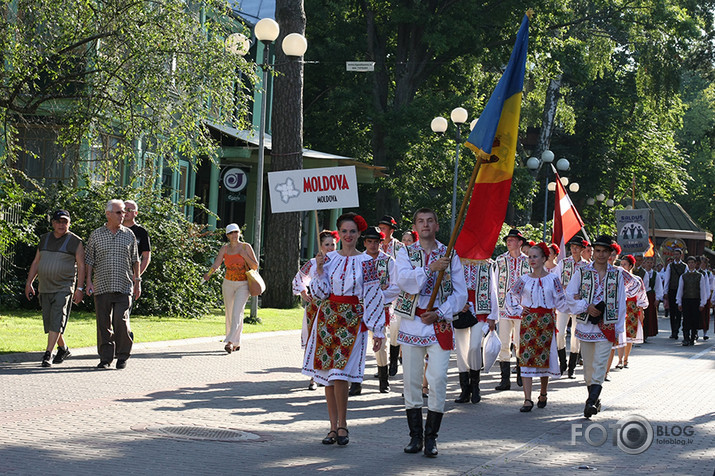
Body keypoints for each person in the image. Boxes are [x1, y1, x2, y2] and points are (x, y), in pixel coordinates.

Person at [303, 212, 385, 446]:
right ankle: (332, 426)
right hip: (328, 319)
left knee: (340, 375)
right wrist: (318, 270)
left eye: (353, 231)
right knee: (328, 377)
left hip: (352, 320)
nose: (349, 235)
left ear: (359, 234)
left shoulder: (367, 262)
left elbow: (372, 295)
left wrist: (378, 330)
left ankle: (343, 424)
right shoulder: (328, 259)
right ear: (340, 234)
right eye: (345, 231)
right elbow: (319, 294)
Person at [394, 208, 467, 457]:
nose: (425, 225)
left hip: (439, 322)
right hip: (413, 323)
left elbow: (461, 293)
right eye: (420, 221)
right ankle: (415, 437)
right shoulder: (406, 252)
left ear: (437, 225)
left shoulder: (449, 254)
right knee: (411, 381)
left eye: (430, 221)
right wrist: (429, 269)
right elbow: (404, 281)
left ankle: (432, 437)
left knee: (437, 379)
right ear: (415, 226)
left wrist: (441, 312)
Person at [566, 235, 627, 419]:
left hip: (606, 326)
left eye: (604, 251)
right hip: (586, 325)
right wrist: (586, 306)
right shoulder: (582, 272)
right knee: (588, 370)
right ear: (592, 252)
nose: (600, 254)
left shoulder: (617, 274)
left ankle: (590, 402)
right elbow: (569, 295)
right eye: (597, 251)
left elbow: (621, 302)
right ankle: (594, 398)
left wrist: (618, 328)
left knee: (600, 365)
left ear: (610, 253)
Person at [506, 242, 568, 412]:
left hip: (546, 321)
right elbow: (511, 295)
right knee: (526, 358)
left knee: (543, 358)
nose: (532, 260)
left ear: (544, 258)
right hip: (528, 321)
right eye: (530, 257)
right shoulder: (524, 279)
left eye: (535, 257)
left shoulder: (553, 279)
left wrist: (576, 305)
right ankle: (527, 399)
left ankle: (543, 393)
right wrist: (519, 309)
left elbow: (561, 300)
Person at [85, 200, 141, 369]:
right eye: (119, 212)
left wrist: (137, 282)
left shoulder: (129, 234)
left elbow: (135, 260)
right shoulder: (96, 235)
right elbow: (89, 260)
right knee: (103, 324)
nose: (122, 215)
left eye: (124, 212)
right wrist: (88, 281)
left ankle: (122, 355)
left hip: (123, 285)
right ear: (108, 214)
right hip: (102, 285)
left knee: (120, 320)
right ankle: (105, 358)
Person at [25, 210, 85, 367]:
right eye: (58, 221)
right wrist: (29, 282)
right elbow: (36, 262)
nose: (62, 225)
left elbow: (81, 265)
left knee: (57, 319)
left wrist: (80, 288)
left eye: (65, 222)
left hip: (64, 287)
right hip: (45, 287)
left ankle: (47, 354)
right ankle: (63, 348)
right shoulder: (44, 239)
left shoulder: (75, 241)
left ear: (69, 223)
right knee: (50, 321)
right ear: (52, 223)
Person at [292, 230, 338, 390]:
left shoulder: (340, 262)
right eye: (327, 244)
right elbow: (299, 278)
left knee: (330, 341)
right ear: (320, 246)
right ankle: (312, 376)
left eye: (333, 244)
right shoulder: (312, 263)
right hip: (316, 306)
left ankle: (328, 375)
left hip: (334, 306)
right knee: (313, 339)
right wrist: (304, 293)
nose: (331, 247)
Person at [204, 223, 258, 354]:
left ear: (239, 233)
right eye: (231, 233)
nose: (234, 235)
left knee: (237, 312)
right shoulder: (224, 249)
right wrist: (209, 274)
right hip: (228, 283)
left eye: (236, 232)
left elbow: (255, 266)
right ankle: (236, 341)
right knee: (229, 313)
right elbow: (216, 264)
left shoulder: (246, 247)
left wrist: (244, 255)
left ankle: (229, 342)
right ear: (227, 235)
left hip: (243, 284)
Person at [454, 256, 497, 404]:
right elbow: (450, 286)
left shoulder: (487, 264)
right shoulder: (456, 261)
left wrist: (493, 315)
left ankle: (475, 385)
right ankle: (464, 389)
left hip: (480, 310)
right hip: (460, 310)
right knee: (461, 350)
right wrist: (458, 304)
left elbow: (493, 289)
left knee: (474, 347)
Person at [361, 226, 400, 394]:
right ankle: (356, 382)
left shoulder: (389, 261)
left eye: (376, 242)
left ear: (381, 242)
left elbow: (396, 287)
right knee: (359, 345)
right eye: (369, 241)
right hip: (360, 309)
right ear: (364, 242)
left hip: (381, 309)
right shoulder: (358, 260)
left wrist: (378, 295)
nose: (373, 245)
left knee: (381, 344)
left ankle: (384, 380)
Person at [494, 229, 530, 391]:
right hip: (503, 307)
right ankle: (505, 379)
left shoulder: (528, 261)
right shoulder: (500, 260)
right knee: (504, 342)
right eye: (508, 240)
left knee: (520, 343)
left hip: (522, 308)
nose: (509, 242)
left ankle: (521, 375)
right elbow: (494, 284)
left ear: (520, 242)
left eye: (512, 239)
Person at [553, 236, 588, 378]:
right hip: (564, 303)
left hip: (578, 305)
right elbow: (555, 281)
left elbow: (589, 285)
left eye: (577, 247)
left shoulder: (586, 265)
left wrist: (582, 294)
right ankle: (562, 362)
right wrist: (562, 289)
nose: (573, 249)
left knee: (576, 335)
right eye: (572, 247)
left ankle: (572, 367)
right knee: (560, 333)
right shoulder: (563, 263)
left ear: (582, 249)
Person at [377, 216, 405, 378]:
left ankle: (394, 359)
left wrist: (393, 282)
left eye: (384, 228)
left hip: (397, 295)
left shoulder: (401, 248)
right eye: (379, 227)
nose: (381, 231)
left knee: (395, 329)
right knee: (379, 331)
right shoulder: (374, 245)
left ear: (391, 231)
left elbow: (403, 269)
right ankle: (382, 365)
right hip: (380, 297)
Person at [676, 256, 708, 346]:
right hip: (686, 300)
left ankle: (693, 337)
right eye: (689, 263)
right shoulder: (683, 276)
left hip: (696, 300)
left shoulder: (700, 276)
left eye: (693, 263)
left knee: (695, 319)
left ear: (695, 264)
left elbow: (702, 290)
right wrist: (679, 302)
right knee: (686, 319)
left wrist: (702, 303)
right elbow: (680, 290)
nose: (691, 264)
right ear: (687, 264)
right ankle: (686, 338)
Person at [633, 256, 663, 341]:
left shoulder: (654, 274)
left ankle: (646, 333)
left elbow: (658, 287)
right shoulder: (635, 270)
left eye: (651, 263)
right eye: (647, 262)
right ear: (644, 263)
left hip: (649, 295)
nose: (649, 264)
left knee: (647, 316)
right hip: (637, 295)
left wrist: (658, 298)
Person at [123, 200, 151, 276]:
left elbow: (146, 257)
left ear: (136, 213)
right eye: (124, 209)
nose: (126, 212)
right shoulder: (115, 229)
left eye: (129, 210)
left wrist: (136, 276)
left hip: (131, 275)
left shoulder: (141, 232)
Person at [663, 249, 686, 339]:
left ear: (681, 255)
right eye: (675, 254)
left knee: (679, 311)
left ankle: (677, 328)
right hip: (672, 290)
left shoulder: (685, 266)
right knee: (672, 312)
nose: (676, 256)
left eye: (678, 254)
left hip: (681, 291)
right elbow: (667, 279)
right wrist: (665, 291)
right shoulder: (670, 266)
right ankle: (673, 331)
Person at [698, 257, 713, 340]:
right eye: (701, 263)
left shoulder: (708, 273)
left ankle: (705, 332)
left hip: (706, 296)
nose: (702, 264)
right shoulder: (698, 272)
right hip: (698, 296)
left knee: (706, 315)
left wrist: (707, 297)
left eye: (704, 263)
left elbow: (710, 286)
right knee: (697, 315)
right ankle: (695, 331)